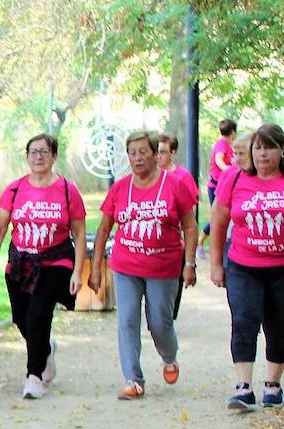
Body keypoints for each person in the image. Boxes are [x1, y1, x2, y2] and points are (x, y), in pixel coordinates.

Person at [90, 130, 197, 399]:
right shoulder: (120, 188)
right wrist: (94, 268)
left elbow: (190, 226)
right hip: (126, 266)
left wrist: (190, 263)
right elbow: (104, 229)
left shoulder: (174, 185)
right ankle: (133, 380)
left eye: (143, 152)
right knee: (126, 320)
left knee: (159, 322)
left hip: (163, 267)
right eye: (132, 153)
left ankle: (169, 356)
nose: (137, 158)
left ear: (154, 155)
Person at [0, 133, 87, 399]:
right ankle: (46, 350)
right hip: (21, 262)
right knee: (21, 318)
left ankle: (34, 376)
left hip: (56, 261)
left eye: (44, 151)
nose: (38, 157)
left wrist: (77, 271)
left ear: (54, 156)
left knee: (38, 314)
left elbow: (78, 232)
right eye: (33, 151)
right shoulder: (15, 189)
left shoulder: (67, 190)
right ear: (27, 156)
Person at [209, 123, 284, 411]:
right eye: (258, 148)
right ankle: (243, 388)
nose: (263, 154)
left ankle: (273, 385)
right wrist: (216, 263)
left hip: (280, 269)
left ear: (281, 150)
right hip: (243, 264)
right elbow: (219, 220)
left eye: (269, 147)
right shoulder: (235, 178)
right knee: (244, 321)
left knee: (278, 325)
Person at [199, 119, 238, 258]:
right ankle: (200, 243)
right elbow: (219, 160)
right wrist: (228, 170)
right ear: (232, 132)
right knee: (218, 217)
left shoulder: (229, 145)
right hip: (217, 187)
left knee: (226, 218)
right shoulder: (222, 144)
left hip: (226, 186)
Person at [157, 134, 200, 203]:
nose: (158, 156)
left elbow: (191, 208)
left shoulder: (183, 176)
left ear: (172, 153)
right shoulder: (149, 176)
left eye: (162, 152)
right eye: (156, 152)